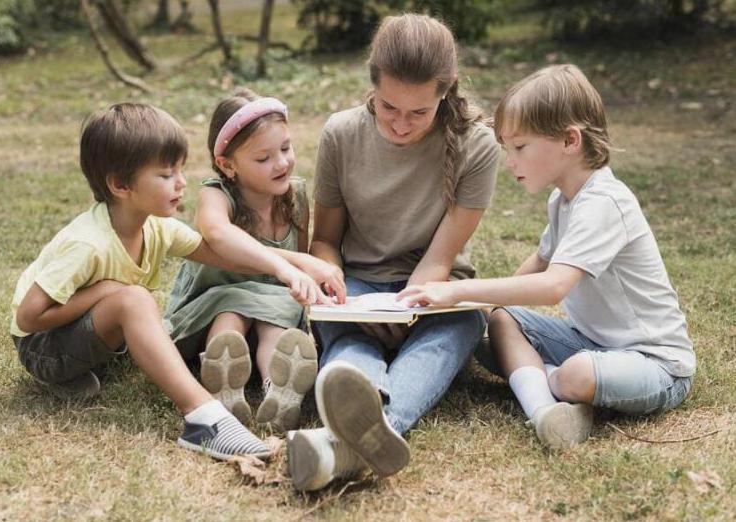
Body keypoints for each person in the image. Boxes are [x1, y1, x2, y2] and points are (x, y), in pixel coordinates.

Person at [398, 64, 695, 449]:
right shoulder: (563, 199)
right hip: (591, 341)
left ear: (570, 140)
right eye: (508, 149)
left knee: (577, 373)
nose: (510, 161)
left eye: (520, 147)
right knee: (501, 325)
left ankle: (547, 380)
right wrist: (484, 310)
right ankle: (546, 414)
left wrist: (457, 291)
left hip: (657, 364)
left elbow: (554, 285)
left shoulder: (605, 202)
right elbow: (539, 262)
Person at [11, 103, 325, 461]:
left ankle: (73, 378)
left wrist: (298, 264)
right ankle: (204, 419)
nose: (181, 182)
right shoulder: (88, 243)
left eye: (180, 170)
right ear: (120, 185)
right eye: (165, 175)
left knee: (135, 301)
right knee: (134, 300)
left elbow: (226, 256)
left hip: (92, 345)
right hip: (42, 347)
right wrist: (108, 290)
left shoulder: (158, 228)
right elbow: (28, 318)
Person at [286, 14, 500, 491]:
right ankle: (364, 426)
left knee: (464, 323)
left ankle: (357, 435)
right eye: (388, 107)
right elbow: (326, 242)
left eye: (418, 112)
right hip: (358, 284)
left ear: (446, 89)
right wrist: (341, 294)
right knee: (344, 334)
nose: (401, 125)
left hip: (433, 289)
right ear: (373, 85)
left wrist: (405, 308)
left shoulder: (477, 144)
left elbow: (441, 258)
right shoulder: (341, 133)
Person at [165, 89, 344, 433]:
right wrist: (288, 265)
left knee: (276, 315)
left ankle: (278, 390)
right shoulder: (216, 194)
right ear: (227, 165)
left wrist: (310, 279)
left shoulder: (295, 198)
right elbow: (218, 233)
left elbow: (296, 268)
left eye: (286, 148)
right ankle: (222, 379)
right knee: (232, 312)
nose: (281, 163)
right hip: (210, 307)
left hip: (271, 310)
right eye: (263, 158)